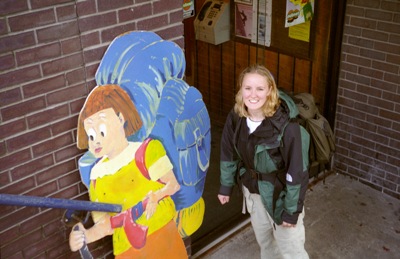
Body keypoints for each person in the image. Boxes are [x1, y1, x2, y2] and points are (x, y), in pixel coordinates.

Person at [69, 84, 187, 258]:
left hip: (163, 241)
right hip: (127, 252)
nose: (96, 142)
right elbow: (105, 225)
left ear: (120, 118)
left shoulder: (148, 151)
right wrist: (84, 236)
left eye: (101, 131)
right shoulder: (96, 176)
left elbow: (173, 185)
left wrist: (156, 195)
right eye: (91, 136)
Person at [218, 64, 309, 259]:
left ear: (270, 91)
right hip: (254, 194)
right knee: (267, 246)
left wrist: (291, 211)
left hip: (282, 196)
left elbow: (297, 171)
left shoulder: (287, 125)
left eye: (260, 88)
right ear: (241, 90)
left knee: (292, 251)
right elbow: (228, 152)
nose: (253, 94)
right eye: (247, 88)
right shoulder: (237, 117)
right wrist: (226, 185)